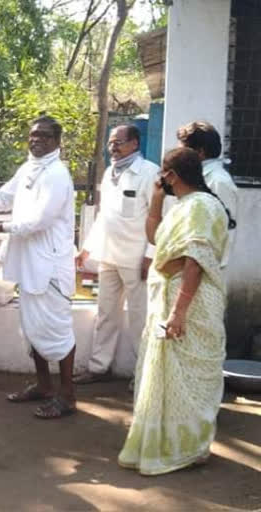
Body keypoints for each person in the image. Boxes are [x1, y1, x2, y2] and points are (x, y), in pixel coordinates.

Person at [118, 147, 235, 476]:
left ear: (172, 175)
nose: (161, 180)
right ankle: (171, 442)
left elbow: (195, 262)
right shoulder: (184, 205)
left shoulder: (202, 206)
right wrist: (156, 201)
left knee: (191, 379)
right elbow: (155, 238)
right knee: (169, 375)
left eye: (163, 174)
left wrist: (179, 313)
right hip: (170, 300)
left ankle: (191, 447)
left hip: (191, 303)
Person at [0, 116, 77, 419]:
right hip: (28, 264)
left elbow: (39, 221)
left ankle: (67, 396)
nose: (36, 139)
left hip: (50, 267)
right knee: (32, 329)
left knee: (56, 330)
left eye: (43, 136)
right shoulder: (28, 168)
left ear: (56, 141)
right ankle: (44, 386)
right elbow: (3, 198)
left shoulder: (56, 175)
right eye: (32, 135)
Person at [74, 125, 159, 386]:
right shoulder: (111, 172)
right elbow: (104, 217)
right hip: (109, 255)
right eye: (111, 143)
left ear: (134, 143)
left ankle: (142, 375)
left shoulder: (149, 173)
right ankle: (99, 367)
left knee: (139, 317)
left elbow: (158, 218)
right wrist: (87, 247)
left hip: (136, 259)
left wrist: (150, 255)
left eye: (119, 142)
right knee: (106, 313)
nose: (113, 147)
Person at [176, 121, 239, 269]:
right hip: (186, 262)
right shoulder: (193, 176)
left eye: (183, 150)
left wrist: (207, 268)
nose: (180, 155)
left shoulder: (218, 181)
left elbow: (224, 230)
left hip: (204, 269)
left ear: (200, 152)